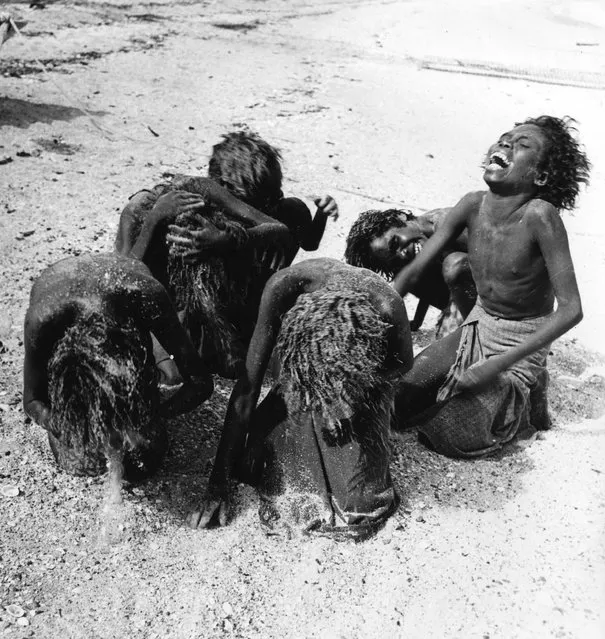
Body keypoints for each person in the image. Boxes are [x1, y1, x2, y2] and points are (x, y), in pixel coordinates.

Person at [389, 115, 590, 457]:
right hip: (479, 325)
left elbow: (572, 310)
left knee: (447, 431)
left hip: (521, 338)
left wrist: (495, 365)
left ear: (540, 176)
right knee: (400, 398)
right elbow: (415, 270)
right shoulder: (471, 204)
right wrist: (385, 301)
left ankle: (527, 393)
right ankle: (509, 387)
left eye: (523, 145)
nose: (506, 144)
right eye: (504, 138)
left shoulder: (541, 216)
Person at [188, 258, 413, 539]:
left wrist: (350, 397)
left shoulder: (386, 304)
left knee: (360, 502)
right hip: (301, 378)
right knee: (256, 465)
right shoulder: (283, 289)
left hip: (362, 382)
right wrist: (217, 484)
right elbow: (248, 388)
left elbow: (402, 365)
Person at [115, 131, 338, 378]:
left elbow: (306, 240)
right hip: (186, 311)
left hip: (242, 310)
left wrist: (321, 215)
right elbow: (125, 277)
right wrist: (154, 219)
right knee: (173, 372)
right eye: (254, 205)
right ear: (223, 191)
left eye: (271, 202)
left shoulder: (282, 211)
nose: (265, 210)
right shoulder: (170, 209)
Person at [23, 253, 213, 486]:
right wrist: (69, 426)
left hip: (127, 294)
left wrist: (151, 416)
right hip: (59, 282)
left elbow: (201, 383)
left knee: (146, 460)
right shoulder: (45, 318)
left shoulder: (145, 296)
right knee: (77, 462)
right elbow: (32, 401)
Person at [345, 207, 476, 333]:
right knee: (406, 271)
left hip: (492, 291)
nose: (403, 254)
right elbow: (428, 280)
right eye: (394, 259)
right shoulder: (420, 240)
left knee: (454, 265)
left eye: (395, 242)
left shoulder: (447, 223)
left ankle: (470, 324)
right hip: (474, 288)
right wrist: (418, 321)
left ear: (400, 218)